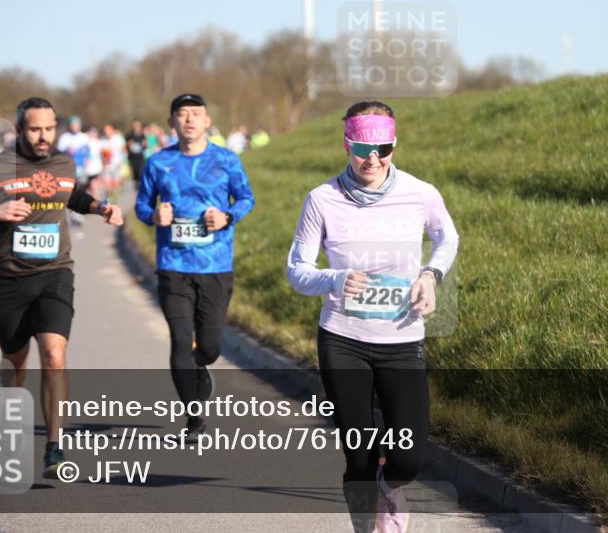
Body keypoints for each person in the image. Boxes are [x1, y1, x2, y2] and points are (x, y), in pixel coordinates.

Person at [286, 101, 458, 533]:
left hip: (401, 339)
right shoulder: (321, 199)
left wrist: (431, 275)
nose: (373, 158)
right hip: (342, 338)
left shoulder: (421, 193)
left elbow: (446, 237)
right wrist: (335, 279)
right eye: (363, 147)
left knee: (409, 456)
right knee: (358, 454)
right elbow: (297, 270)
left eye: (382, 147)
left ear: (394, 145)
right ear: (347, 144)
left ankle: (390, 484)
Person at [0, 97, 124, 478]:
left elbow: (72, 195)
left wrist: (101, 207)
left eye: (49, 128)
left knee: (54, 354)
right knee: (15, 360)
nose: (43, 136)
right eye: (34, 129)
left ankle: (54, 448)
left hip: (54, 273)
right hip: (8, 278)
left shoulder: (65, 162)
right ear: (19, 130)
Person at [135, 93, 255, 439]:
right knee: (178, 339)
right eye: (182, 114)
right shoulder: (159, 163)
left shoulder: (227, 160)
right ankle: (194, 417)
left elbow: (246, 198)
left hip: (215, 264)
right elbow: (142, 206)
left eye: (195, 114)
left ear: (206, 121)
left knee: (211, 346)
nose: (188, 120)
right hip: (173, 263)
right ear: (172, 122)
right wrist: (154, 215)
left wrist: (227, 215)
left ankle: (201, 364)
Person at [126, 120, 146, 187]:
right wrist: (129, 144)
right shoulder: (129, 135)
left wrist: (144, 145)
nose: (136, 126)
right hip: (132, 157)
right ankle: (136, 184)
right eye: (135, 125)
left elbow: (145, 145)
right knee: (134, 172)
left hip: (140, 157)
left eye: (138, 125)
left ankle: (140, 184)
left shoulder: (142, 135)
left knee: (140, 171)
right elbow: (126, 145)